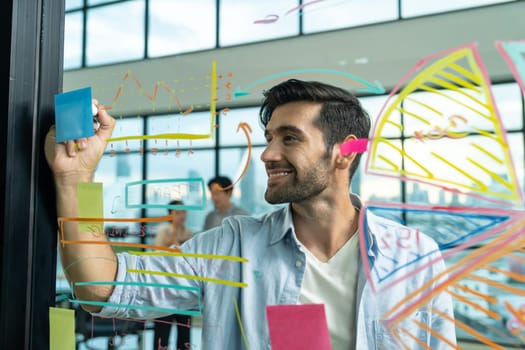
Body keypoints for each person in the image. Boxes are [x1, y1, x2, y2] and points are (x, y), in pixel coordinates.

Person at [45, 79, 456, 349]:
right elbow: (101, 289)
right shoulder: (232, 244)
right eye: (269, 138)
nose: (267, 154)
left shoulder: (415, 256)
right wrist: (74, 178)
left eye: (289, 139)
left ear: (344, 152)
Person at [152, 200, 193, 350]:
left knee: (184, 335)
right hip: (165, 289)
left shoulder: (189, 233)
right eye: (178, 212)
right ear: (170, 215)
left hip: (184, 288)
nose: (182, 215)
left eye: (184, 212)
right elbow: (157, 256)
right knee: (162, 335)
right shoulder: (165, 231)